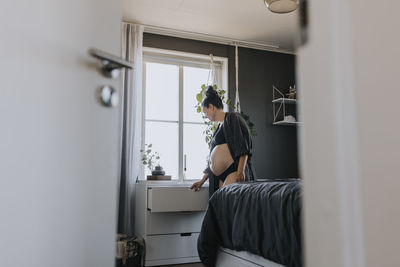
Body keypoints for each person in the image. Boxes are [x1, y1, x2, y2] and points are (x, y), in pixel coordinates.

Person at [190, 86, 255, 197]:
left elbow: (243, 147)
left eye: (205, 113)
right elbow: (211, 158)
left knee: (230, 206)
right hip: (219, 176)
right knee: (221, 209)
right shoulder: (218, 128)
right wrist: (202, 181)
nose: (206, 116)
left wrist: (240, 172)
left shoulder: (232, 119)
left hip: (234, 170)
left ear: (211, 107)